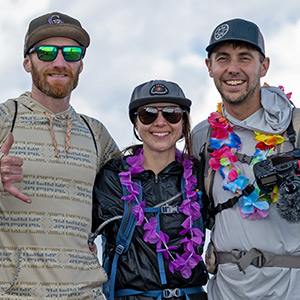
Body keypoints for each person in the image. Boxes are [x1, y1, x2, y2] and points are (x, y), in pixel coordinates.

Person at [0, 12, 119, 299]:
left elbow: (140, 183)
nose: (59, 62)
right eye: (46, 52)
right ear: (27, 62)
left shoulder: (96, 133)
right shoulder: (5, 119)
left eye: (72, 53)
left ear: (80, 65)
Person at [192, 18, 300, 300]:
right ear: (209, 67)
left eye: (244, 58)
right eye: (223, 58)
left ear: (263, 66)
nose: (233, 69)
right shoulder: (202, 137)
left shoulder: (296, 127)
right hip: (225, 292)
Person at [92, 79, 208, 300]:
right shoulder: (111, 177)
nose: (160, 122)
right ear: (136, 123)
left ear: (183, 121)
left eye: (172, 114)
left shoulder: (200, 174)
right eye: (148, 114)